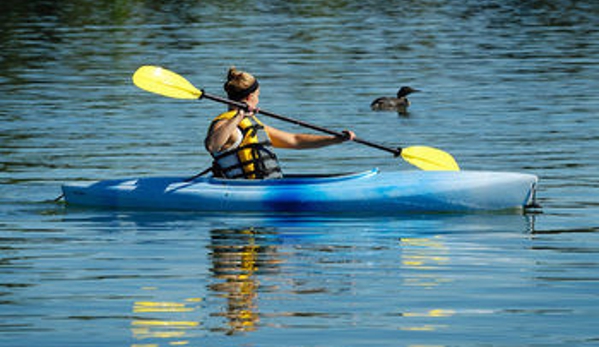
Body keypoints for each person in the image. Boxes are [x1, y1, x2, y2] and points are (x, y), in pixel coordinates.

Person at [205, 67, 355, 179]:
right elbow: (212, 145)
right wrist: (239, 115)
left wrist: (336, 139)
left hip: (267, 186)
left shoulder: (251, 126)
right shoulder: (225, 123)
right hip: (243, 191)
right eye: (258, 96)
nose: (258, 100)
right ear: (251, 97)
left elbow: (295, 140)